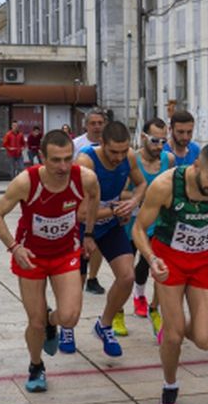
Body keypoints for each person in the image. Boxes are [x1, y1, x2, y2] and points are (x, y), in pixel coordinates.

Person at [0, 130, 99, 392]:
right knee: (34, 322)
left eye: (67, 159)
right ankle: (36, 365)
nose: (62, 166)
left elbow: (95, 197)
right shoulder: (26, 181)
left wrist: (90, 233)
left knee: (69, 317)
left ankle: (53, 322)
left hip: (65, 253)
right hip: (31, 257)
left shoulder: (84, 177)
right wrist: (14, 248)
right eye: (55, 160)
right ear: (41, 157)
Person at [132, 143, 208, 404]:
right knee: (175, 336)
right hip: (170, 261)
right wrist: (151, 258)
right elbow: (139, 229)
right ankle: (170, 385)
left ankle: (172, 327)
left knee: (204, 340)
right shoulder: (166, 185)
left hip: (205, 261)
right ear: (195, 167)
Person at [62, 121, 147, 357]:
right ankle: (67, 327)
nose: (119, 157)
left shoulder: (128, 156)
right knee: (75, 288)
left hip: (109, 225)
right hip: (80, 228)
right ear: (101, 144)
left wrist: (132, 202)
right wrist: (117, 210)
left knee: (127, 276)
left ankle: (105, 324)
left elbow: (141, 184)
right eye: (113, 152)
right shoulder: (86, 163)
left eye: (123, 151)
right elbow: (80, 213)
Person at [126, 118, 175, 343]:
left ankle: (154, 309)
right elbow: (122, 193)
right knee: (125, 273)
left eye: (164, 141)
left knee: (157, 266)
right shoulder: (130, 159)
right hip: (132, 224)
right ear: (144, 137)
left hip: (159, 224)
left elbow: (173, 189)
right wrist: (145, 196)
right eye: (155, 140)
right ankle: (118, 310)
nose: (159, 146)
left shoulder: (169, 159)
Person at [74, 109, 108, 293]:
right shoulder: (77, 145)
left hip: (105, 197)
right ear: (86, 125)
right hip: (83, 200)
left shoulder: (110, 144)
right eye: (93, 123)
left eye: (100, 123)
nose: (96, 126)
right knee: (83, 242)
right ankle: (79, 278)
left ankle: (93, 278)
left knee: (99, 244)